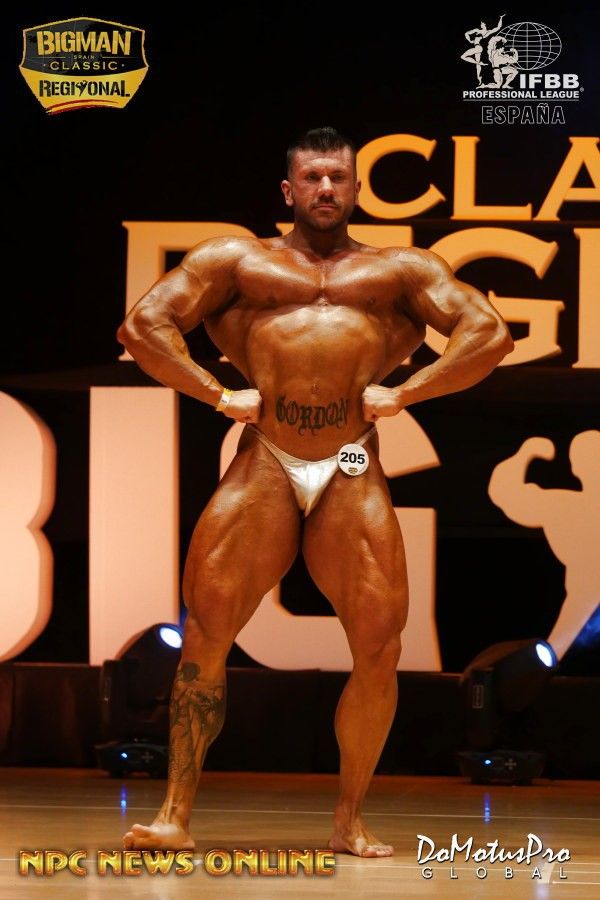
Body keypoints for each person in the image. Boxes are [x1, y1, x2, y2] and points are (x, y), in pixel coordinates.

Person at [117, 126, 513, 858]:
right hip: (265, 459)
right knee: (205, 634)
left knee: (379, 645)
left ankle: (348, 818)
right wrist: (215, 393)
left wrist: (408, 392)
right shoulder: (238, 260)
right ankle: (173, 814)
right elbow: (144, 324)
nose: (326, 188)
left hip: (351, 463)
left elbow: (487, 334)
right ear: (289, 189)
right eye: (312, 177)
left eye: (338, 177)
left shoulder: (400, 270)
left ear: (356, 189)